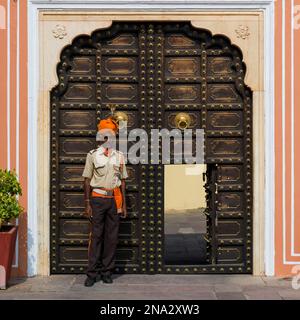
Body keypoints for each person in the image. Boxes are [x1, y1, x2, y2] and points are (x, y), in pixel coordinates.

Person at [82, 117, 128, 287]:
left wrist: (123, 204)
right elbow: (86, 180)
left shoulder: (120, 156)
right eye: (106, 135)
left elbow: (123, 181)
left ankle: (107, 272)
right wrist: (87, 203)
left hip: (114, 200)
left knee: (112, 238)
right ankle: (92, 273)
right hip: (98, 200)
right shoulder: (93, 155)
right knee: (96, 237)